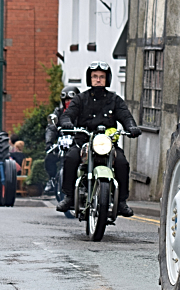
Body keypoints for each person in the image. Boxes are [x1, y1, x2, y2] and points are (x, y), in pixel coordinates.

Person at [56, 61, 142, 217]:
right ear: (89, 79)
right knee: (70, 157)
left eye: (101, 77)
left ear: (107, 79)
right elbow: (68, 114)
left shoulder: (115, 100)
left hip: (107, 144)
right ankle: (69, 197)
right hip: (84, 142)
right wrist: (67, 123)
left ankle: (122, 201)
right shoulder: (80, 99)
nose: (98, 80)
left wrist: (131, 127)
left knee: (122, 162)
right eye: (94, 76)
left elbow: (126, 116)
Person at [44, 86, 80, 194]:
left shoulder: (82, 113)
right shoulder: (58, 112)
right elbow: (51, 128)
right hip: (62, 141)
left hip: (77, 143)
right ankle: (51, 180)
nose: (68, 102)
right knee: (49, 158)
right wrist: (49, 142)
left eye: (71, 100)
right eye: (66, 100)